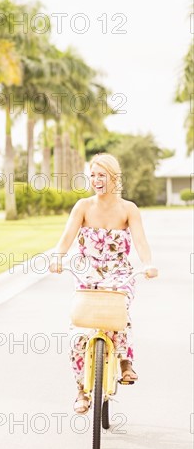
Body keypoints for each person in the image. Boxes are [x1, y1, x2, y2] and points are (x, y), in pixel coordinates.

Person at [49, 153, 158, 414]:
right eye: (93, 175)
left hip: (119, 272)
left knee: (120, 312)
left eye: (102, 176)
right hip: (88, 271)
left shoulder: (128, 209)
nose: (97, 180)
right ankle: (81, 390)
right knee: (79, 329)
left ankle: (124, 361)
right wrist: (57, 257)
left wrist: (148, 264)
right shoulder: (83, 206)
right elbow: (66, 238)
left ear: (114, 178)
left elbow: (141, 241)